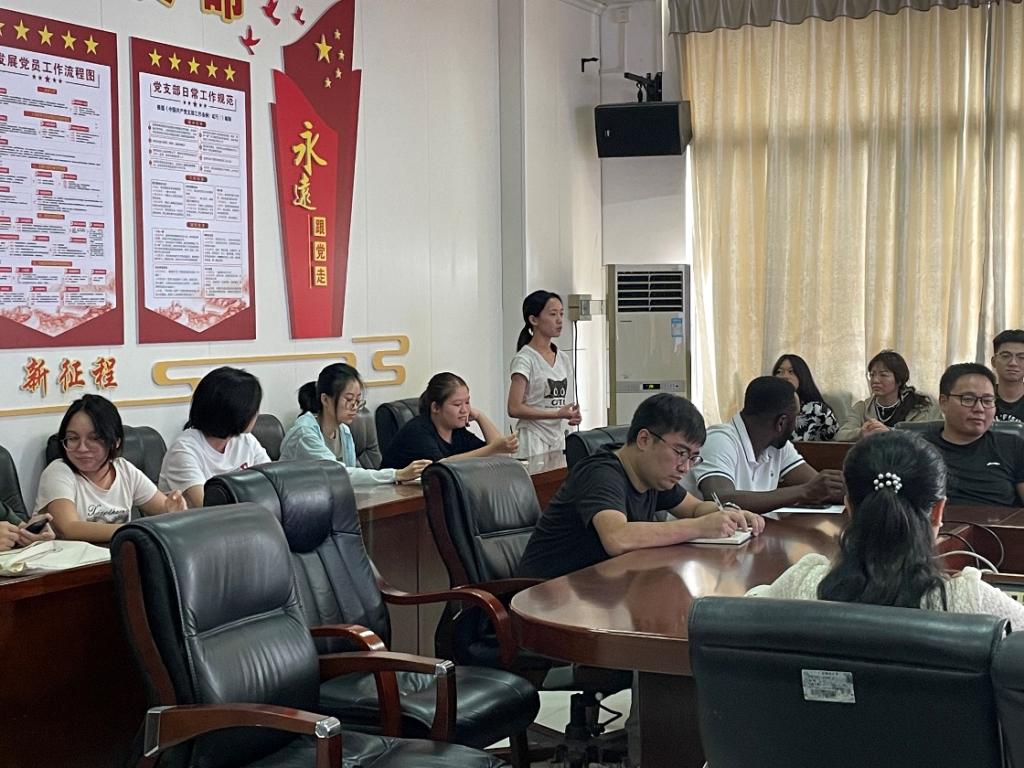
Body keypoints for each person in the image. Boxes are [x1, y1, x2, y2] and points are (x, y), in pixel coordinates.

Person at [747, 430, 1024, 625]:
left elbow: (738, 619)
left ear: (849, 507)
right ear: (938, 511)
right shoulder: (976, 604)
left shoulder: (800, 586)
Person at [517, 393, 762, 580]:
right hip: (544, 601)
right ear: (644, 439)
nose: (685, 467)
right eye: (680, 453)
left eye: (693, 458)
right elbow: (617, 537)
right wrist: (700, 527)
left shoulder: (653, 476)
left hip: (599, 593)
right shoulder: (600, 473)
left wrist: (730, 514)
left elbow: (696, 508)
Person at [35, 395, 185, 543]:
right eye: (73, 438)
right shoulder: (58, 471)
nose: (82, 448)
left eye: (94, 438)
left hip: (117, 555)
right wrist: (134, 531)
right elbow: (69, 528)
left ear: (115, 442)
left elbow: (165, 510)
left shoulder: (124, 470)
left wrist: (174, 511)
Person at [688, 377, 846, 514]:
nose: (796, 425)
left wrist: (849, 488)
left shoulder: (778, 446)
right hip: (699, 538)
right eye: (796, 417)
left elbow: (821, 488)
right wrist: (804, 491)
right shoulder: (719, 440)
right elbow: (720, 499)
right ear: (781, 422)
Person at [280, 363, 430, 485]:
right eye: (349, 399)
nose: (354, 407)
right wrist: (396, 474)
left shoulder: (344, 431)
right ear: (325, 399)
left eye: (357, 401)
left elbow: (353, 478)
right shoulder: (305, 434)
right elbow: (339, 474)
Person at [159, 366, 270, 508]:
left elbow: (273, 484)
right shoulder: (183, 450)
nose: (257, 413)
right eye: (254, 408)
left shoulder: (246, 441)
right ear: (235, 411)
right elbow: (207, 508)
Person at [919, 363, 1024, 507]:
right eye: (968, 399)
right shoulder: (918, 449)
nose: (979, 409)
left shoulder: (1013, 446)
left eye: (987, 401)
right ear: (943, 402)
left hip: (997, 521)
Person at [380, 372, 518, 469]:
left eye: (467, 402)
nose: (465, 410)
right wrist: (492, 448)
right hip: (395, 497)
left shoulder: (457, 431)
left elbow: (500, 454)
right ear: (435, 407)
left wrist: (480, 417)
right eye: (457, 404)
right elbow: (442, 466)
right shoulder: (417, 430)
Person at [507, 290, 581, 457]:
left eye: (561, 314)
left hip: (557, 437)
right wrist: (555, 414)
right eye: (553, 314)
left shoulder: (563, 358)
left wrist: (572, 414)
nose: (559, 320)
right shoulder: (525, 359)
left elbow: (562, 402)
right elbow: (514, 407)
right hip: (533, 437)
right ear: (534, 320)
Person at [835, 350, 940, 440]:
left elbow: (924, 436)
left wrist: (889, 432)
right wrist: (860, 433)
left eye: (883, 375)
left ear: (899, 380)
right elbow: (840, 435)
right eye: (872, 375)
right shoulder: (862, 407)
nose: (875, 380)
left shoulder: (919, 407)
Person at [772, 354, 838, 441]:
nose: (785, 376)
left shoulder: (817, 409)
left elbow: (837, 444)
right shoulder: (768, 408)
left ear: (802, 376)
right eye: (779, 372)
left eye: (791, 372)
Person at [992, 329, 1024, 423]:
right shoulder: (980, 399)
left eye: (1021, 357)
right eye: (1006, 356)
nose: (1013, 363)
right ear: (993, 361)